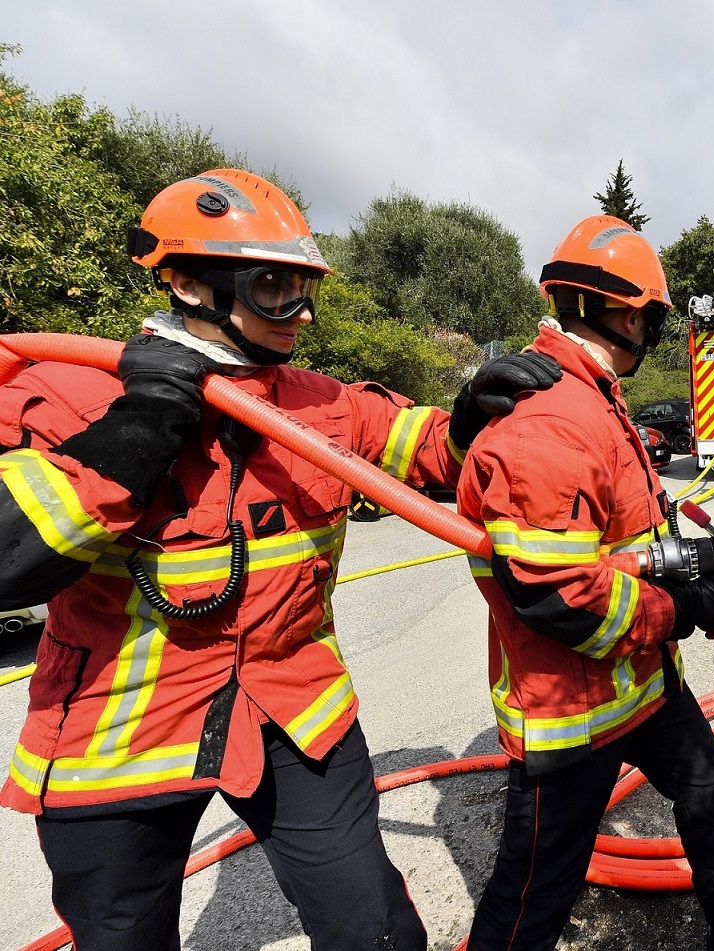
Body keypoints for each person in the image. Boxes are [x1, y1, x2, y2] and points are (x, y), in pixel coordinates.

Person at [0, 168, 558, 950]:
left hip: (293, 710)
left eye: (304, 289)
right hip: (118, 742)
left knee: (377, 931)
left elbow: (432, 453)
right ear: (190, 284)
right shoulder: (64, 392)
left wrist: (472, 416)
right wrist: (142, 424)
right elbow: (9, 556)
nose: (298, 312)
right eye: (272, 288)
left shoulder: (319, 404)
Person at [457, 215, 714, 951]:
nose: (653, 331)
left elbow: (628, 540)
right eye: (650, 314)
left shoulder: (594, 396)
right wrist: (683, 609)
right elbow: (555, 594)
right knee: (536, 890)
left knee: (710, 789)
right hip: (569, 709)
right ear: (619, 310)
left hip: (640, 686)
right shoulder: (550, 420)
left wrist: (701, 571)